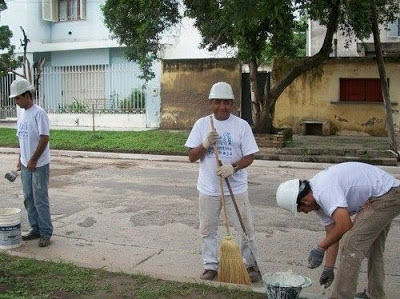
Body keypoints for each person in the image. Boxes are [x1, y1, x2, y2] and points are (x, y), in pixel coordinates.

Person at [276, 161, 400, 298]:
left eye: (302, 210)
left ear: (304, 200)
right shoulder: (318, 201)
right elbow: (333, 234)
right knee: (374, 249)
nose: (305, 213)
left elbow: (345, 225)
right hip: (386, 192)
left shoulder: (323, 191)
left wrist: (320, 248)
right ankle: (376, 295)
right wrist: (328, 268)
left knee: (350, 244)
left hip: (386, 195)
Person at [185, 81, 261, 282]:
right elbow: (192, 156)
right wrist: (204, 144)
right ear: (211, 103)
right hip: (208, 189)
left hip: (235, 188)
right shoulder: (202, 124)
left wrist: (233, 167)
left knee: (245, 229)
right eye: (217, 102)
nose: (222, 106)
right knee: (207, 229)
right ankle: (210, 265)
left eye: (226, 102)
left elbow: (250, 156)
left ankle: (251, 265)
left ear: (232, 104)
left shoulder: (241, 126)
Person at [9, 78, 53, 247]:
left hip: (39, 165)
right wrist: (21, 159)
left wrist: (34, 159)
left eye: (18, 98)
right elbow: (22, 138)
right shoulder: (21, 114)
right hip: (26, 164)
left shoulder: (38, 113)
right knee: (28, 198)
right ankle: (35, 229)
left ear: (27, 95)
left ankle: (46, 232)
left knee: (40, 199)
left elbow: (44, 138)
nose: (16, 101)